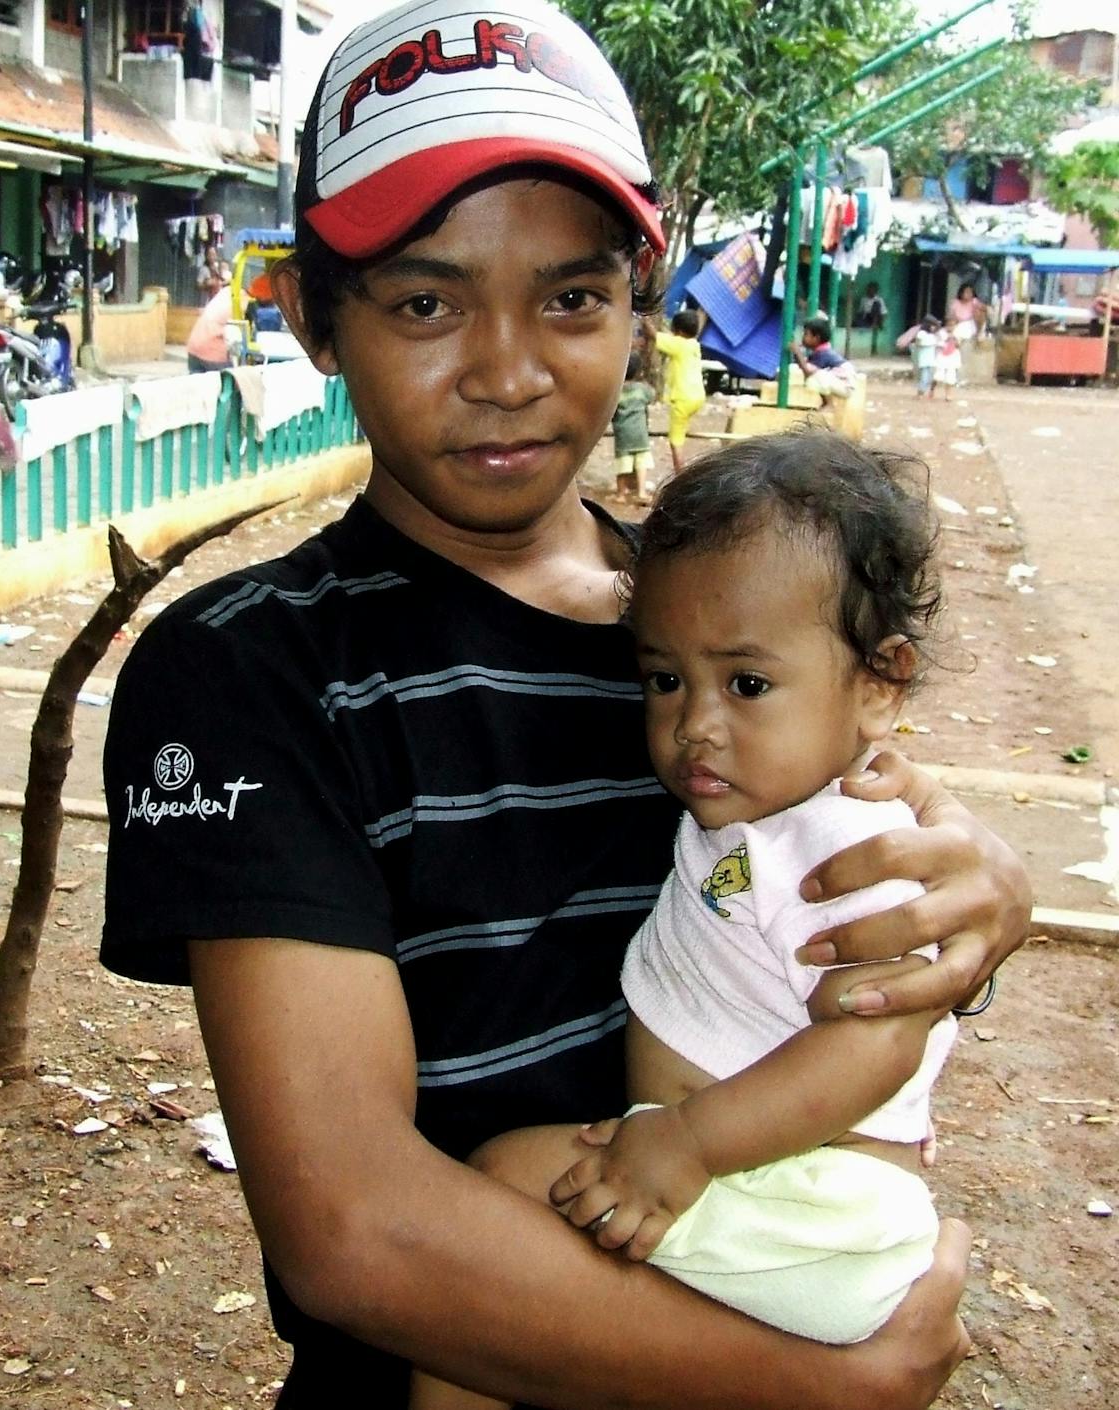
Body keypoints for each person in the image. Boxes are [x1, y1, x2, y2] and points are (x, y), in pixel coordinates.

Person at [100, 3, 1030, 1406]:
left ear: (637, 301)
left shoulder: (709, 622)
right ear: (311, 320)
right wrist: (819, 1385)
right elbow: (356, 1233)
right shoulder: (249, 675)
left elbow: (844, 884)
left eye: (572, 297)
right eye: (425, 301)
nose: (509, 369)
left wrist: (981, 894)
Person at [411, 430, 961, 1409]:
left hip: (810, 1204)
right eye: (666, 679)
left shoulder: (846, 848)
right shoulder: (762, 812)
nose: (696, 722)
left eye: (747, 684)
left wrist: (692, 1143)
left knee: (495, 1191)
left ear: (880, 684)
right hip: (766, 1190)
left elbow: (877, 1043)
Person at [656, 307, 708, 473]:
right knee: (682, 428)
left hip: (682, 398)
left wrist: (645, 321)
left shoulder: (678, 344)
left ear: (677, 330)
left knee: (675, 440)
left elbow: (654, 336)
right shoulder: (694, 344)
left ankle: (680, 472)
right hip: (697, 396)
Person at [611, 352, 656, 504]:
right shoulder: (642, 390)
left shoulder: (616, 391)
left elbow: (611, 411)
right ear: (638, 371)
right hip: (640, 433)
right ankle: (642, 492)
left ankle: (621, 494)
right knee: (641, 462)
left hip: (623, 433)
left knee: (623, 463)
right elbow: (652, 396)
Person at [789, 315, 857, 410]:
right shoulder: (820, 351)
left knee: (813, 379)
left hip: (845, 386)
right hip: (840, 383)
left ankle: (829, 404)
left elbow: (807, 371)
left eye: (806, 334)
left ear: (816, 338)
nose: (803, 338)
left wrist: (797, 353)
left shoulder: (823, 353)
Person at [185, 276, 241, 373]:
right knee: (228, 383)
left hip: (194, 347)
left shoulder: (225, 292)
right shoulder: (240, 299)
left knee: (198, 386)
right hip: (213, 354)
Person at [947, 281, 986, 345]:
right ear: (961, 293)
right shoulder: (955, 303)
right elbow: (951, 317)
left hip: (972, 324)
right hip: (958, 324)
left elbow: (983, 309)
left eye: (971, 292)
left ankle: (979, 334)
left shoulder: (974, 301)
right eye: (967, 292)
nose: (969, 294)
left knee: (978, 311)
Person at [933, 315, 962, 401]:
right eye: (949, 325)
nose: (951, 327)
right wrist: (947, 338)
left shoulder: (958, 333)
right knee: (938, 375)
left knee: (951, 376)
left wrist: (954, 338)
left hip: (952, 356)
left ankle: (948, 395)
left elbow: (959, 345)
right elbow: (938, 344)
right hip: (942, 356)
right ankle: (932, 389)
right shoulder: (941, 333)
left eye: (953, 325)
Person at [912, 315, 940, 399]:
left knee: (930, 377)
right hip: (924, 360)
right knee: (924, 377)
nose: (934, 328)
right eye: (933, 326)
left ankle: (926, 391)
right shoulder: (921, 334)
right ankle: (920, 393)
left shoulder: (933, 335)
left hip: (931, 360)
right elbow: (919, 343)